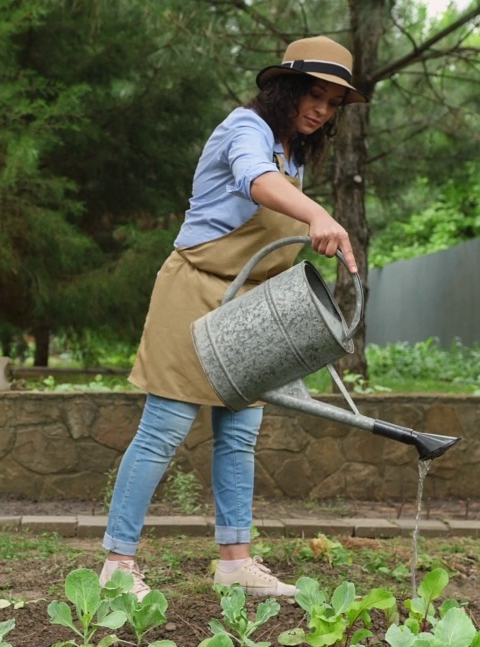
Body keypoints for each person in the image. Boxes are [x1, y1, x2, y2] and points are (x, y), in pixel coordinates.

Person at [99, 36, 365, 599]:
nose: (320, 109)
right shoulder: (246, 130)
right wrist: (318, 213)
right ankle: (118, 565)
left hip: (249, 304)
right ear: (285, 90)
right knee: (163, 430)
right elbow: (254, 180)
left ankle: (235, 562)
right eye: (312, 95)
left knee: (239, 433)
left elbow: (276, 199)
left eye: (332, 102)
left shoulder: (293, 155)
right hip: (193, 290)